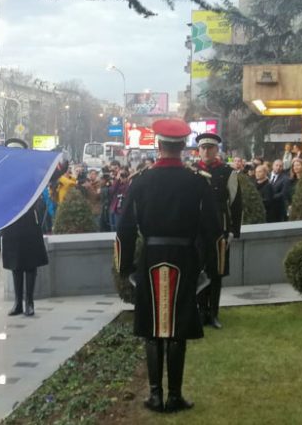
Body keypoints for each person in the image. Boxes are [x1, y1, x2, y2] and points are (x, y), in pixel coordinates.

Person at [116, 119, 218, 413]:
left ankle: (155, 395)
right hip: (184, 259)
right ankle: (174, 395)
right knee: (178, 325)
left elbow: (124, 228)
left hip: (150, 258)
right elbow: (212, 230)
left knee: (152, 326)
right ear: (184, 147)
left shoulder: (141, 180)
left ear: (158, 146)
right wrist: (210, 268)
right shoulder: (198, 181)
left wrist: (125, 267)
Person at [194, 132, 242, 329]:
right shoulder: (191, 171)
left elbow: (236, 203)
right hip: (196, 231)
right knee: (197, 272)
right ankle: (200, 311)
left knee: (216, 273)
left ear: (216, 150)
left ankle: (213, 313)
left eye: (210, 148)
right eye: (203, 148)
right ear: (198, 150)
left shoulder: (227, 172)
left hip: (219, 232)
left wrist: (233, 231)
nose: (207, 151)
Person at [1, 138, 49, 317]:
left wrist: (62, 163)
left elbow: (49, 175)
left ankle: (29, 302)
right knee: (16, 265)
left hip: (29, 221)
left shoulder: (30, 172)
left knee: (30, 264)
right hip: (11, 222)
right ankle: (18, 302)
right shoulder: (3, 174)